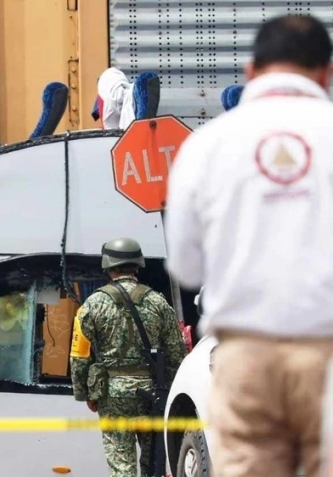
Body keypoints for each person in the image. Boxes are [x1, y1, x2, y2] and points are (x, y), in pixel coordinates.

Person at [164, 13, 333, 477]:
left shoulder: (206, 147)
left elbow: (185, 265)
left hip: (245, 353)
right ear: (326, 72)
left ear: (251, 71)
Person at [69, 238, 187, 477]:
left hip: (112, 395)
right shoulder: (158, 302)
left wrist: (85, 394)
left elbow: (79, 357)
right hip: (151, 395)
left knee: (121, 464)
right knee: (153, 464)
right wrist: (169, 394)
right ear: (137, 266)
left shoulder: (91, 305)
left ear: (108, 265)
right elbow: (176, 353)